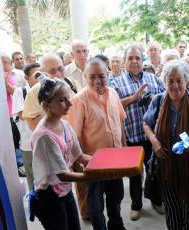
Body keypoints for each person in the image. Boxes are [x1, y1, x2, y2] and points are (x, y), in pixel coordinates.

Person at [143, 60, 189, 230]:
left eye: (179, 80)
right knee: (172, 213)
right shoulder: (158, 100)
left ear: (186, 80)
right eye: (170, 81)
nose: (175, 86)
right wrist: (155, 143)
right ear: (164, 82)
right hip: (166, 167)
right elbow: (146, 124)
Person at [66, 58, 127, 229]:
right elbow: (75, 136)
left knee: (116, 196)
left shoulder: (113, 93)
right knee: (95, 204)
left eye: (101, 76)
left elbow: (120, 122)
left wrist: (124, 150)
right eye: (92, 77)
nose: (97, 80)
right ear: (85, 77)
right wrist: (79, 163)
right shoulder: (79, 100)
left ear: (108, 75)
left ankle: (116, 225)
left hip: (116, 161)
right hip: (93, 163)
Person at [111, 45, 166, 220]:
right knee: (135, 175)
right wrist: (132, 99)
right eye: (131, 58)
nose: (135, 61)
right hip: (132, 136)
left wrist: (154, 101)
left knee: (155, 171)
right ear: (124, 61)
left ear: (143, 61)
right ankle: (136, 205)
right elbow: (112, 106)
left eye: (138, 58)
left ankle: (156, 201)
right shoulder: (116, 82)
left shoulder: (154, 79)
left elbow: (166, 100)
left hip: (152, 137)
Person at [30, 78, 92, 230]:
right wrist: (93, 176)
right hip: (49, 196)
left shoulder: (64, 124)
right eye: (62, 100)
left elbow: (80, 156)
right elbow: (62, 175)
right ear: (46, 105)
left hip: (64, 190)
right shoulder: (44, 136)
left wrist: (105, 163)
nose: (70, 104)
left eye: (68, 98)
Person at [11, 63, 41, 190]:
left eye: (42, 73)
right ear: (27, 78)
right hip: (29, 143)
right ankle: (37, 206)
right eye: (36, 75)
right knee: (34, 180)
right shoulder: (20, 92)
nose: (40, 77)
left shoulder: (47, 90)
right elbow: (22, 114)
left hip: (47, 142)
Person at [23, 53, 70, 131]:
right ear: (43, 72)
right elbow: (32, 126)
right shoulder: (35, 92)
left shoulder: (70, 82)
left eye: (60, 69)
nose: (58, 74)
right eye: (53, 71)